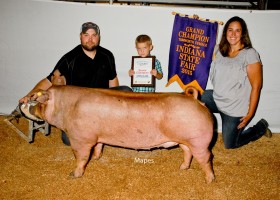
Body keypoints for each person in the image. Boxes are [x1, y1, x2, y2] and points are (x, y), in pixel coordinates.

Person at [19, 22, 132, 145]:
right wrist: (29, 95)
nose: (90, 39)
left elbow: (113, 81)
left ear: (99, 37)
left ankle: (104, 127)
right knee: (68, 140)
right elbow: (48, 81)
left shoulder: (107, 55)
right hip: (80, 109)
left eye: (94, 35)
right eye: (86, 35)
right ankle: (97, 129)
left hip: (102, 105)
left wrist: (115, 105)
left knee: (126, 91)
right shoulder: (69, 58)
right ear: (80, 36)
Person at [201, 16, 272, 149]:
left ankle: (260, 128)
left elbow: (257, 87)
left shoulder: (250, 54)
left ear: (243, 33)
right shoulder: (218, 49)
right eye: (230, 30)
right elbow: (200, 54)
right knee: (189, 97)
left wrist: (250, 114)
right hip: (216, 98)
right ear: (225, 32)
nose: (233, 34)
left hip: (234, 108)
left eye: (237, 30)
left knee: (230, 144)